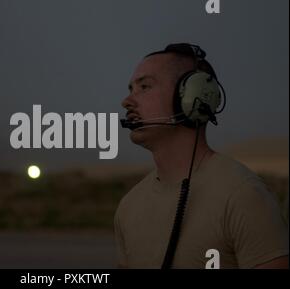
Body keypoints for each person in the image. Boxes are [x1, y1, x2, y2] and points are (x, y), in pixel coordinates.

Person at [115, 43, 289, 269]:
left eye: (144, 87)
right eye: (131, 89)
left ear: (192, 96)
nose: (127, 101)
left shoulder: (244, 195)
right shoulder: (129, 207)